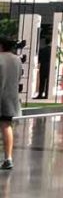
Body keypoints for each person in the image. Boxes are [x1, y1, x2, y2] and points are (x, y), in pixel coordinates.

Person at [0, 37, 22, 169]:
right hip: (10, 99)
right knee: (7, 126)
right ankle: (8, 158)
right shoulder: (17, 59)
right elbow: (18, 77)